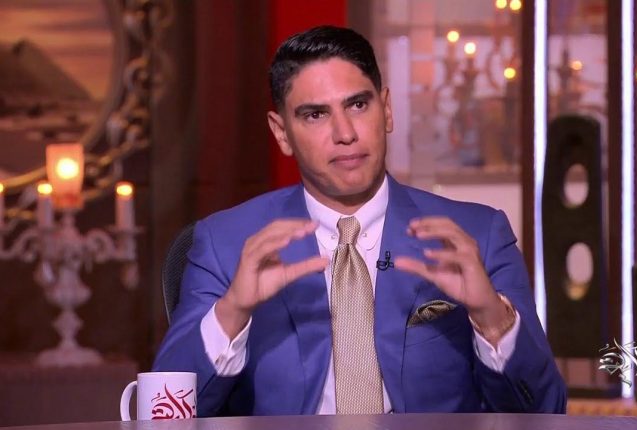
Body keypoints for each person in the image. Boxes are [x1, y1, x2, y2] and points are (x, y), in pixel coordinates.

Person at [153, 25, 566, 416]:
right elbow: (164, 414)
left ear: (386, 110)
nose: (345, 132)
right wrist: (232, 312)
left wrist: (491, 317)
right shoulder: (225, 243)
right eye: (315, 115)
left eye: (358, 105)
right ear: (281, 133)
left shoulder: (477, 235)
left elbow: (545, 410)